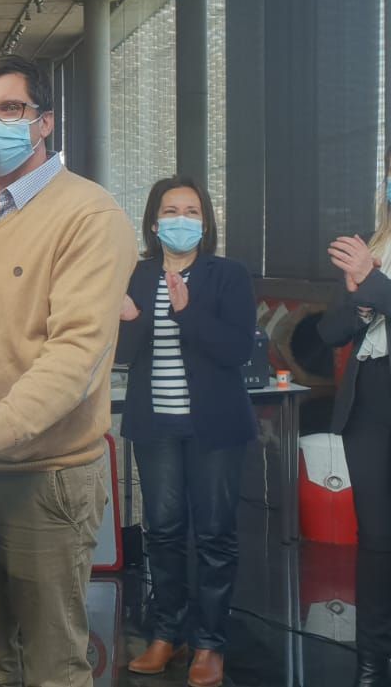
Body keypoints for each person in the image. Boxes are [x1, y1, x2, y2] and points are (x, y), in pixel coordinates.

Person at [0, 55, 135, 687]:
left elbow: (75, 358)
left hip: (45, 478)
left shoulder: (90, 216)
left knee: (52, 664)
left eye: (9, 109)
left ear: (44, 122)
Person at [117, 178, 257, 687]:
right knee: (164, 531)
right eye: (170, 210)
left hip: (213, 427)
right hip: (155, 425)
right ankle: (166, 634)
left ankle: (209, 643)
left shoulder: (228, 275)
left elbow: (237, 348)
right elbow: (121, 354)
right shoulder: (135, 274)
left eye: (191, 210)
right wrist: (128, 320)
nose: (181, 218)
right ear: (154, 222)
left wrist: (186, 311)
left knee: (215, 534)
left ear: (206, 220)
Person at [318, 130, 391, 687]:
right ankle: (371, 662)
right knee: (378, 541)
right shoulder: (376, 243)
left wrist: (376, 284)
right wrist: (361, 301)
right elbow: (330, 330)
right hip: (367, 399)